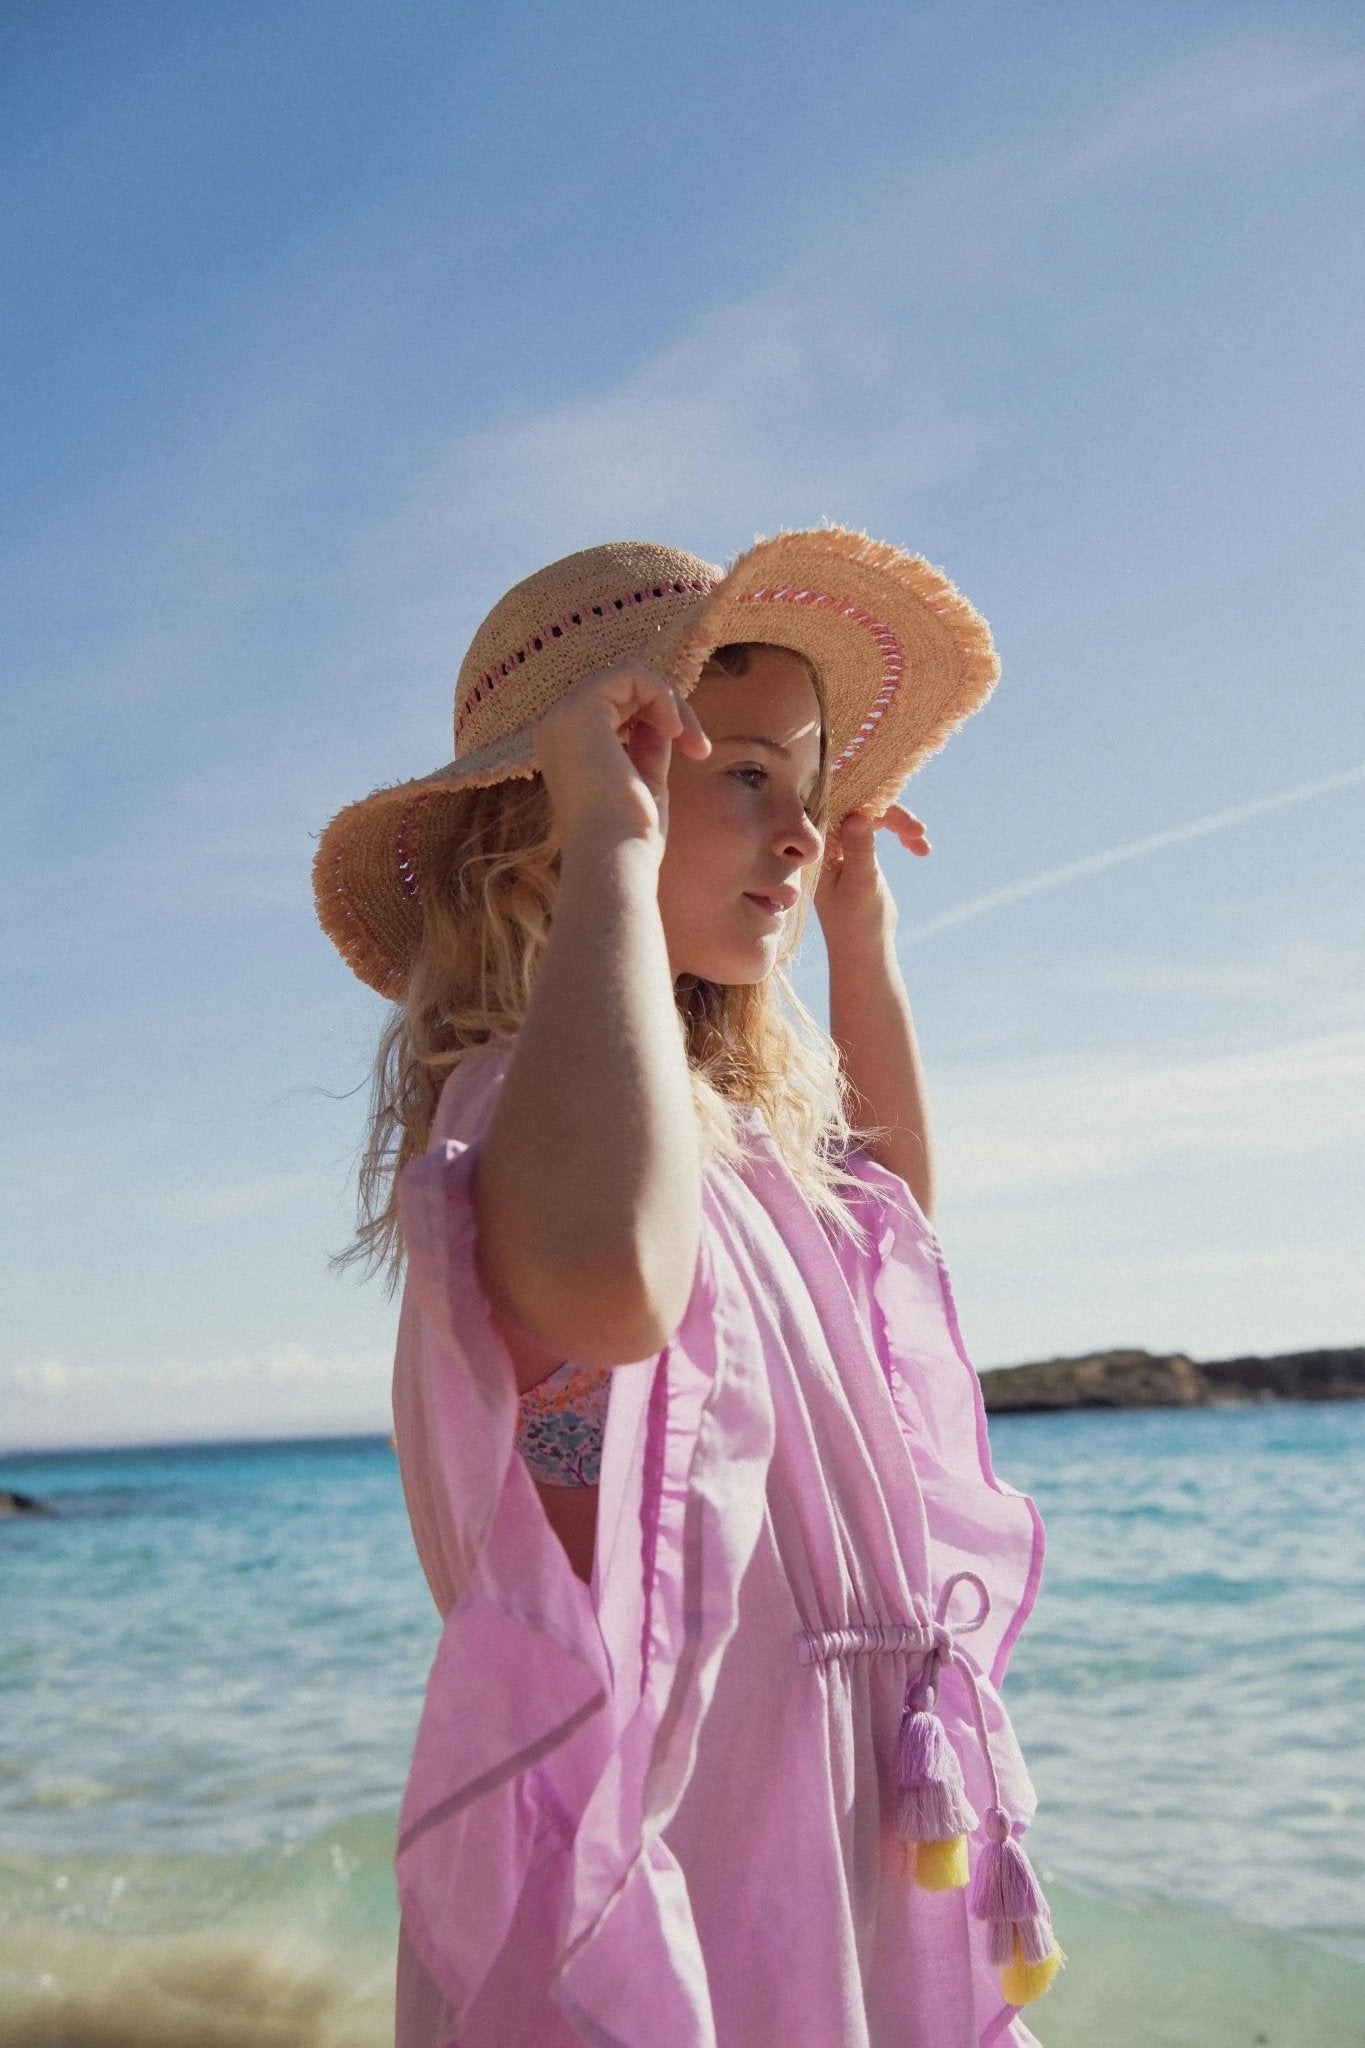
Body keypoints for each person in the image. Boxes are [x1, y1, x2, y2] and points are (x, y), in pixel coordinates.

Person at [313, 529, 1062, 2048]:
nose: (800, 830)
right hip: (692, 1807)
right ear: (563, 812)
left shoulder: (747, 1159)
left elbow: (891, 1224)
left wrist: (860, 942)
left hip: (849, 1786)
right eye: (745, 777)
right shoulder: (524, 1118)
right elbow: (606, 1287)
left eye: (814, 788)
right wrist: (615, 852)